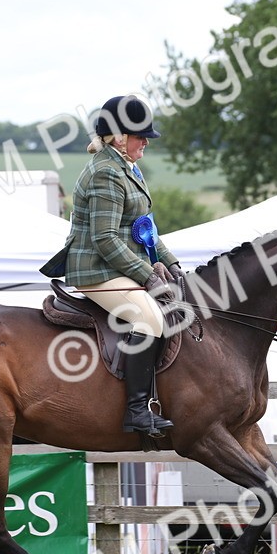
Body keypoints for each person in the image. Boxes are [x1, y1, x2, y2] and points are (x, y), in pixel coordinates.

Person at [47, 94, 184, 437]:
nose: (146, 143)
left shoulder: (127, 167)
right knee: (149, 318)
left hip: (117, 266)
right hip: (96, 269)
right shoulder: (107, 172)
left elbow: (145, 230)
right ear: (120, 137)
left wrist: (173, 265)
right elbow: (106, 239)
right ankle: (137, 411)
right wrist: (148, 275)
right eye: (141, 137)